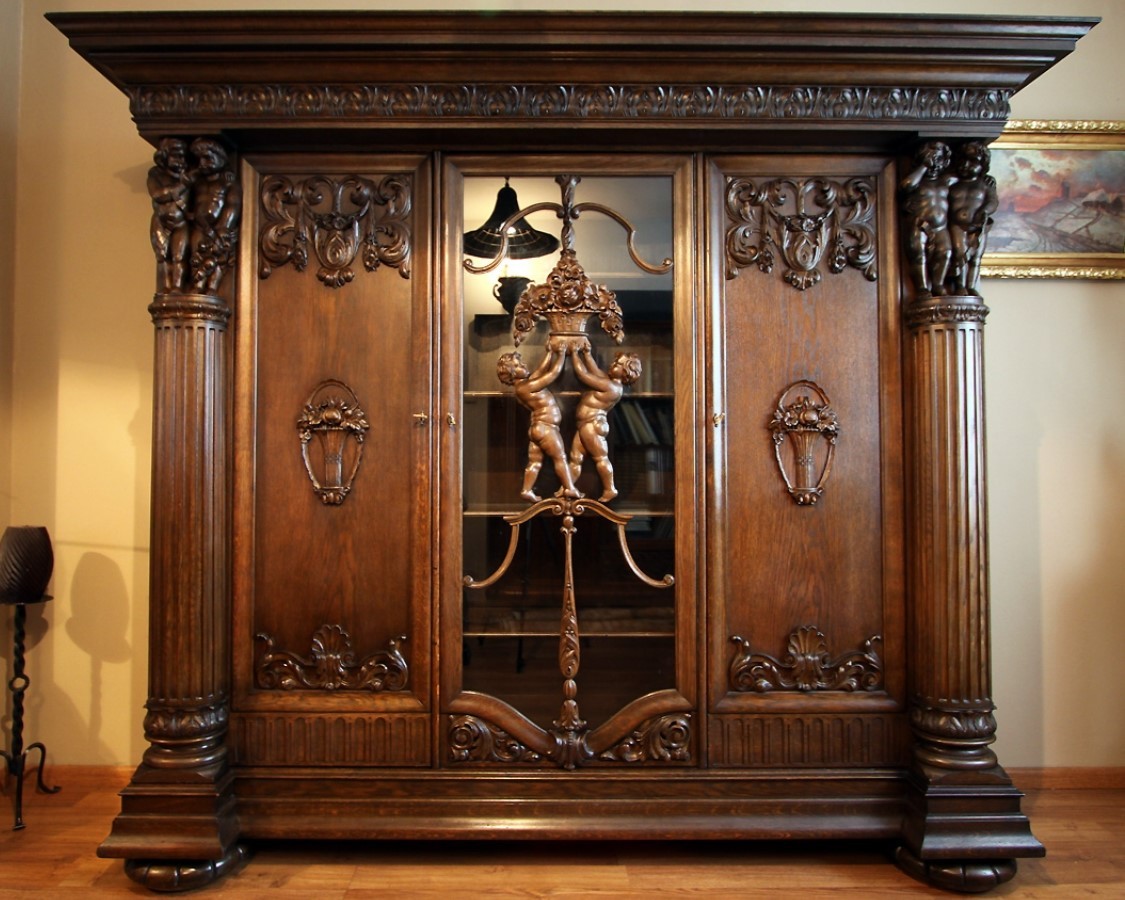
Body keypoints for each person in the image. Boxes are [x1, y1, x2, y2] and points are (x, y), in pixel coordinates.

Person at [496, 342, 579, 502]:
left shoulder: (525, 385)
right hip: (546, 428)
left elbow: (540, 371)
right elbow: (552, 375)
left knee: (535, 461)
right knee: (560, 457)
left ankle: (527, 490)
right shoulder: (525, 388)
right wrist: (561, 355)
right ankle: (569, 488)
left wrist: (549, 353)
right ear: (512, 374)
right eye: (518, 365)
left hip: (538, 429)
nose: (523, 365)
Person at [569, 346, 642, 502]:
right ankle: (568, 487)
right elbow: (594, 370)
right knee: (576, 458)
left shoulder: (612, 387)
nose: (612, 364)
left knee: (600, 458)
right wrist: (587, 354)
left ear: (626, 372)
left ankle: (610, 489)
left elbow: (583, 375)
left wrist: (574, 354)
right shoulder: (608, 382)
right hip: (585, 424)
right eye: (614, 362)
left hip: (592, 425)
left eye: (617, 364)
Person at [900, 140, 956, 299]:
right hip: (920, 224)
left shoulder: (946, 180)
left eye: (938, 159)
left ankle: (938, 285)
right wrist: (924, 166)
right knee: (918, 255)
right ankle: (922, 288)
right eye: (931, 159)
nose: (934, 164)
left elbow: (968, 181)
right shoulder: (918, 180)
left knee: (945, 252)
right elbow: (906, 185)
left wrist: (988, 182)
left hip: (941, 227)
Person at [188, 138, 241, 293]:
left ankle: (212, 288)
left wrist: (223, 227)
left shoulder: (227, 182)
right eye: (199, 160)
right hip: (199, 225)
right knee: (197, 255)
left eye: (207, 158)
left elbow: (232, 205)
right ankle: (198, 286)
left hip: (220, 227)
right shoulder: (197, 181)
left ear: (221, 158)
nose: (202, 164)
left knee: (218, 258)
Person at [948, 141, 998, 296]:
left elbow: (992, 201)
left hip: (977, 226)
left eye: (972, 162)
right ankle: (960, 285)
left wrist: (984, 211)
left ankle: (971, 286)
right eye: (962, 161)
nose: (966, 165)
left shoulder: (985, 184)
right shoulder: (952, 182)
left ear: (982, 165)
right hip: (957, 225)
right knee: (959, 254)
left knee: (975, 257)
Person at [147, 138, 191, 292]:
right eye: (176, 156)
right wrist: (179, 187)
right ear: (165, 156)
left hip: (181, 223)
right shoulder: (156, 174)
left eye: (182, 157)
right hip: (161, 221)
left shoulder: (188, 175)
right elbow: (158, 194)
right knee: (162, 256)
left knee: (179, 256)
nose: (180, 161)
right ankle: (166, 288)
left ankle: (177, 288)